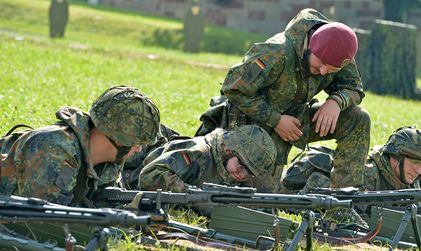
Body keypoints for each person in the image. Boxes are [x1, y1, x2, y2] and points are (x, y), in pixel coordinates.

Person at [196, 8, 370, 189]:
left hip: (295, 120)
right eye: (321, 64)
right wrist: (276, 120)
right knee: (259, 201)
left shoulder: (339, 52)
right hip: (254, 125)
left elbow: (354, 88)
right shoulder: (277, 52)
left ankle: (341, 204)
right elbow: (234, 88)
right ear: (311, 46)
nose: (324, 72)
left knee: (358, 118)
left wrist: (336, 102)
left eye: (332, 70)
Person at [0, 85, 161, 206]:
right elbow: (40, 223)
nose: (138, 149)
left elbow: (101, 207)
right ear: (119, 140)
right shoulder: (54, 149)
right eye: (137, 143)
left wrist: (133, 214)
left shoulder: (109, 163)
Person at [281, 126, 421, 192]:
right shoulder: (364, 173)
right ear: (395, 157)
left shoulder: (411, 186)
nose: (418, 170)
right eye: (415, 163)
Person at [139, 125, 277, 193]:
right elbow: (149, 175)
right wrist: (193, 195)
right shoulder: (198, 154)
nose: (242, 175)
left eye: (250, 173)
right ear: (229, 150)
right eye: (242, 167)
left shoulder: (230, 166)